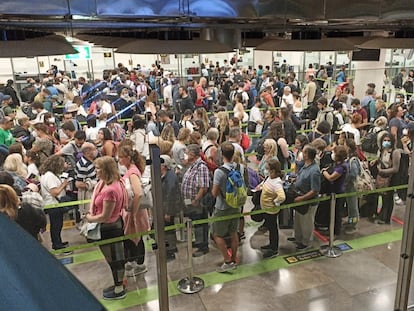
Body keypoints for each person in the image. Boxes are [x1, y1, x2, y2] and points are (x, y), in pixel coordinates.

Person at [84, 156, 128, 300]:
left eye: (98, 168)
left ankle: (119, 287)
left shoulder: (110, 190)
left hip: (109, 227)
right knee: (114, 258)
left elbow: (105, 216)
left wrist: (90, 218)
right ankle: (118, 283)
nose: (95, 171)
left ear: (106, 170)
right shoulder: (113, 183)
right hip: (111, 225)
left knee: (114, 258)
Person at [211, 142, 245, 272]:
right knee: (233, 232)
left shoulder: (219, 172)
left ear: (222, 154)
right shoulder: (240, 167)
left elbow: (214, 193)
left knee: (217, 234)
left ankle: (227, 260)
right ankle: (234, 257)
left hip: (222, 207)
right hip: (236, 205)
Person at [118, 146, 150, 278]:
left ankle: (139, 263)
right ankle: (132, 260)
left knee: (136, 237)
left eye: (120, 157)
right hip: (131, 210)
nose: (118, 159)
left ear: (128, 158)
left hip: (134, 211)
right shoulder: (130, 171)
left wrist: (133, 212)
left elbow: (138, 193)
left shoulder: (132, 173)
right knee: (132, 237)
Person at [289, 145, 321, 250]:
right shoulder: (305, 165)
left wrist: (302, 199)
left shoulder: (314, 171)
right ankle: (298, 237)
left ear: (307, 155)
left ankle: (306, 242)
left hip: (308, 201)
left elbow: (314, 190)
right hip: (299, 197)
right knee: (298, 219)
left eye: (304, 152)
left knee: (306, 222)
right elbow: (301, 176)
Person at [181, 144, 209, 257]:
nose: (186, 155)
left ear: (192, 154)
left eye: (187, 153)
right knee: (195, 223)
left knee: (200, 224)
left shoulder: (201, 167)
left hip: (197, 203)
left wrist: (196, 200)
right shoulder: (193, 165)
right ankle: (198, 241)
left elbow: (204, 186)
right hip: (190, 201)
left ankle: (203, 246)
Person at [39, 155, 71, 251]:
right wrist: (64, 184)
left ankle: (58, 241)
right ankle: (57, 244)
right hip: (53, 204)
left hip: (53, 204)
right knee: (56, 225)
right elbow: (54, 192)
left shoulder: (47, 175)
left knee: (57, 224)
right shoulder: (50, 176)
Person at [369, 134, 401, 224]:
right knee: (381, 197)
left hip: (390, 179)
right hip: (381, 177)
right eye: (384, 140)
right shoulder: (382, 150)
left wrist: (383, 171)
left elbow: (395, 169)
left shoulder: (395, 152)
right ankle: (379, 215)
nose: (386, 142)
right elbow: (381, 159)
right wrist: (375, 161)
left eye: (388, 140)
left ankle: (385, 218)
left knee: (388, 199)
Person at [258, 159, 286, 259]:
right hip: (266, 209)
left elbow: (282, 197)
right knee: (270, 228)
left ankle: (274, 249)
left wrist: (275, 202)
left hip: (271, 211)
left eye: (267, 169)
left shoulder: (277, 183)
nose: (266, 171)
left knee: (273, 229)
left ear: (273, 171)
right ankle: (271, 244)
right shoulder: (270, 178)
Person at [321, 145, 349, 236]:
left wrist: (324, 172)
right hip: (334, 191)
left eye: (334, 153)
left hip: (338, 192)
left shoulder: (341, 167)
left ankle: (336, 231)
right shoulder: (337, 164)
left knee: (337, 213)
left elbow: (331, 178)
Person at [160, 155, 179, 260]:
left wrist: (168, 212)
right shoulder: (164, 175)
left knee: (168, 230)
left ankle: (170, 250)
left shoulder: (170, 177)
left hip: (169, 208)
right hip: (164, 206)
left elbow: (170, 194)